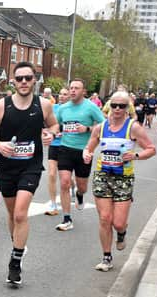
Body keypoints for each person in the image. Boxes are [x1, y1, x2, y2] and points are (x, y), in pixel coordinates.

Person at [0, 61, 58, 287]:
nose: (24, 82)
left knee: (22, 214)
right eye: (19, 78)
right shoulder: (1, 106)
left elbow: (54, 126)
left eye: (28, 78)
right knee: (13, 214)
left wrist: (50, 135)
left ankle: (15, 262)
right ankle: (18, 245)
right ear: (12, 81)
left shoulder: (43, 105)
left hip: (30, 166)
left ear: (35, 81)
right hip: (7, 167)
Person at [83, 91, 156, 271]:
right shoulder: (100, 128)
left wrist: (136, 155)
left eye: (122, 106)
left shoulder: (134, 127)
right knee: (104, 218)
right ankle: (106, 257)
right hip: (102, 176)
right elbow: (89, 147)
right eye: (114, 105)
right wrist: (86, 154)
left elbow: (151, 149)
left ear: (127, 108)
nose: (117, 109)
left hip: (123, 178)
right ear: (109, 106)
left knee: (118, 223)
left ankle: (121, 233)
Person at [54, 78, 106, 231]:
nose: (73, 91)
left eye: (76, 88)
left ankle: (79, 194)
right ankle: (67, 218)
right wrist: (55, 132)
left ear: (83, 91)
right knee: (64, 182)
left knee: (82, 186)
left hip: (84, 151)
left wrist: (88, 129)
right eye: (71, 88)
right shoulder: (63, 108)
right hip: (65, 148)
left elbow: (104, 125)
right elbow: (56, 125)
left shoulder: (90, 107)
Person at [45, 87, 70, 216]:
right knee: (51, 174)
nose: (62, 96)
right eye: (60, 94)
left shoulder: (72, 110)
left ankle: (74, 186)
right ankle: (53, 204)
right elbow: (46, 124)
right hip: (54, 144)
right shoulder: (52, 108)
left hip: (67, 146)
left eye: (65, 94)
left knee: (65, 178)